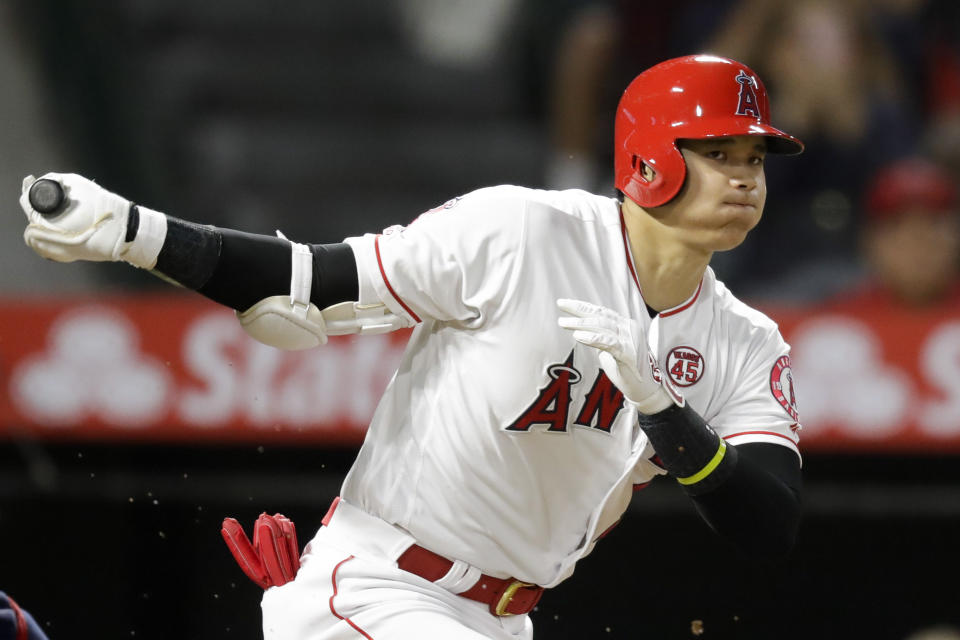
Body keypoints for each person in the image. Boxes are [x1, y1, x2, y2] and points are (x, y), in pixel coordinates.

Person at [18, 55, 804, 639]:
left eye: (755, 158)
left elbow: (768, 521)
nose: (744, 178)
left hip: (505, 618)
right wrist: (132, 232)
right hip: (385, 586)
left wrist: (664, 411)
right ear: (650, 157)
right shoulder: (520, 232)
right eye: (719, 152)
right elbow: (307, 283)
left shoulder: (742, 340)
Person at [829, 155, 960, 310]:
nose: (918, 242)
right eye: (897, 226)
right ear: (870, 241)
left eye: (934, 224)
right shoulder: (840, 323)